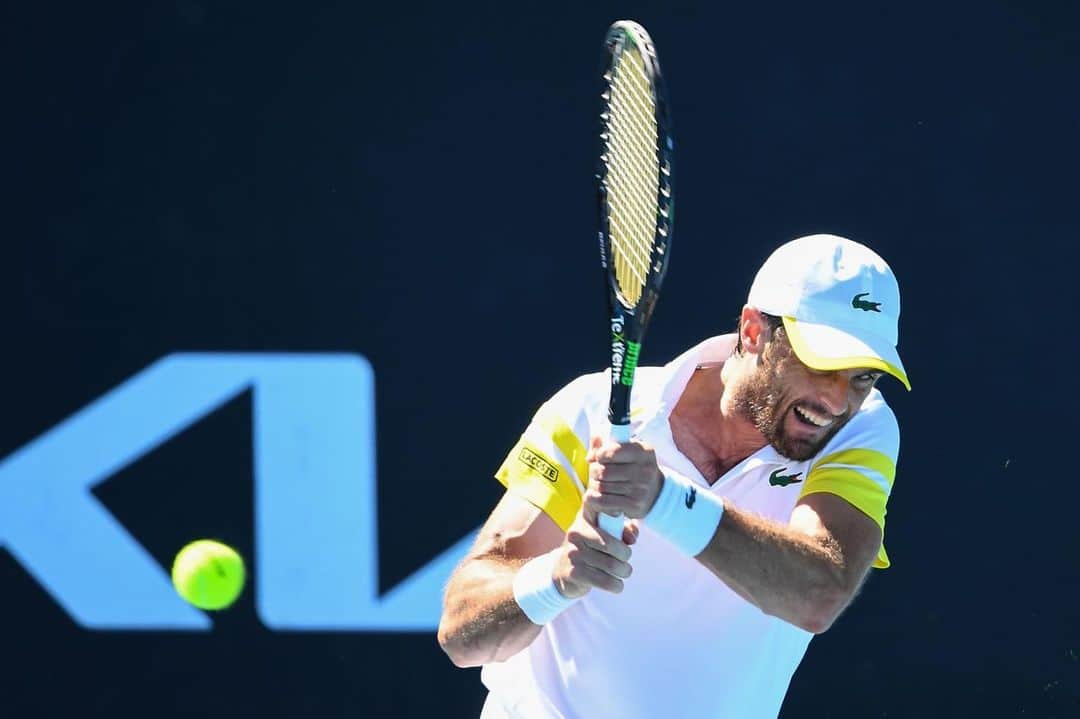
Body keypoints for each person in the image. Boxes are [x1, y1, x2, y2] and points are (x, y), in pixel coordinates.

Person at [438, 234, 910, 719]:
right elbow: (461, 633)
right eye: (821, 364)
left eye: (863, 377)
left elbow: (819, 593)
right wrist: (556, 577)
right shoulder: (588, 408)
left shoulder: (860, 430)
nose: (836, 402)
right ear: (753, 332)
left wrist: (663, 497)